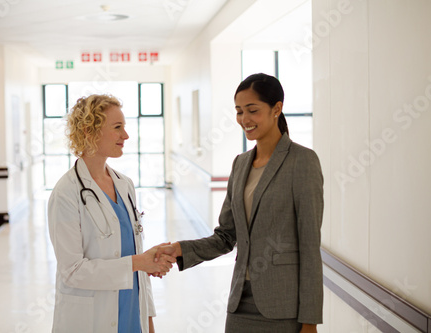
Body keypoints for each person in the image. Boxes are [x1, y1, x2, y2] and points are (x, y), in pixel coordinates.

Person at [156, 73, 324, 332]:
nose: (244, 119)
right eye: (238, 111)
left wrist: (309, 321)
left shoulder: (302, 161)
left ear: (276, 109)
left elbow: (310, 245)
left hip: (285, 307)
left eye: (252, 110)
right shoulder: (241, 163)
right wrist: (180, 249)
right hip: (240, 302)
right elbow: (226, 236)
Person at [48, 94, 175, 333]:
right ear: (89, 131)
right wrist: (140, 262)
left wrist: (148, 320)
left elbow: (136, 260)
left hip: (132, 314)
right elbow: (72, 271)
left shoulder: (124, 184)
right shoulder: (66, 193)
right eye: (117, 128)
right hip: (91, 320)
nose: (125, 135)